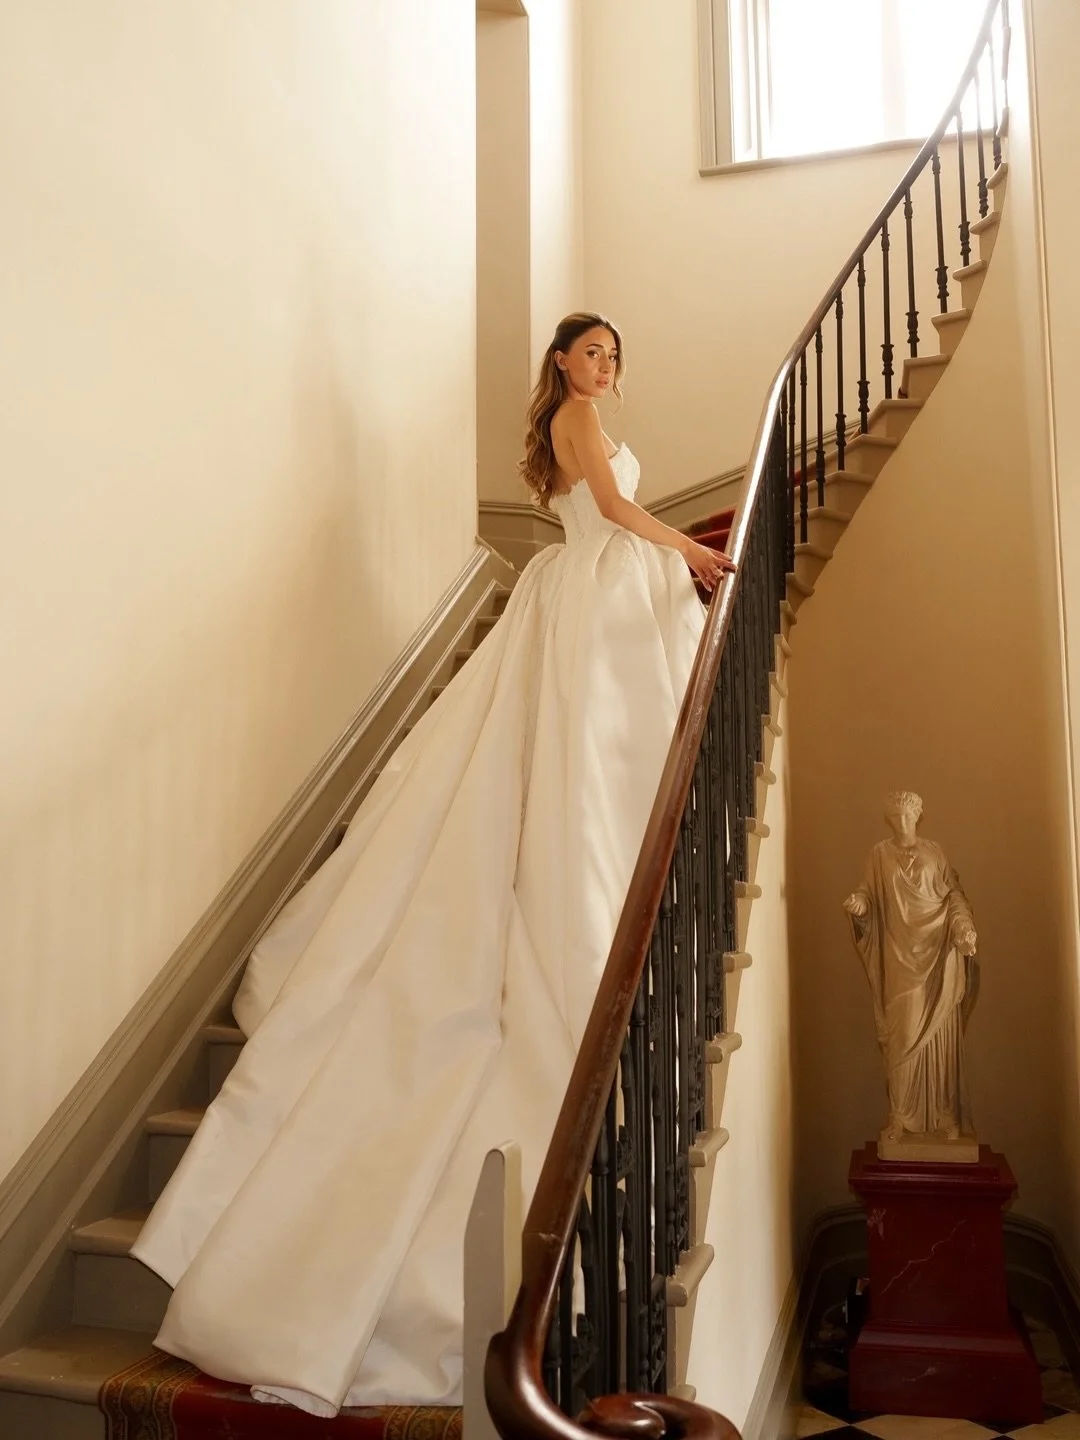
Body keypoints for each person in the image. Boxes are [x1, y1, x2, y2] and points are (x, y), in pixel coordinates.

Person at [131, 312, 734, 1417]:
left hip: (592, 596)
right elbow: (607, 509)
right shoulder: (581, 417)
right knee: (573, 768)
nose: (605, 368)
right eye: (591, 352)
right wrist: (688, 547)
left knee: (585, 765)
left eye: (614, 357)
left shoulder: (575, 414)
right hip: (592, 592)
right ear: (561, 362)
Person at [843, 790, 979, 1145]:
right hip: (899, 961)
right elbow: (868, 893)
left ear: (918, 817)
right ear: (889, 819)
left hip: (938, 958)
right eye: (897, 817)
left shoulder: (935, 852)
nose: (903, 822)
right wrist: (860, 904)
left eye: (909, 816)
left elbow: (953, 897)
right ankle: (899, 1117)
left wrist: (963, 929)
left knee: (940, 1039)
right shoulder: (879, 854)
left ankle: (945, 1116)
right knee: (902, 1039)